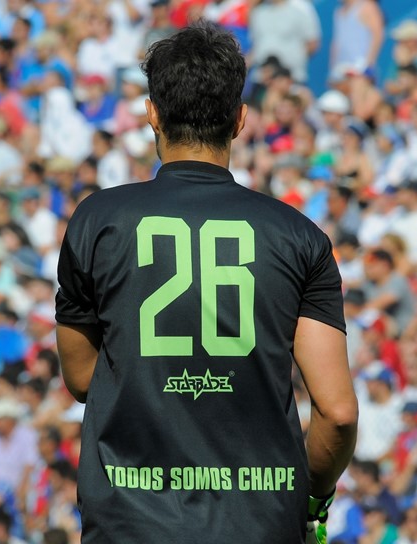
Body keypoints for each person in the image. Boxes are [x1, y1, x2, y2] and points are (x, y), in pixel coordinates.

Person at [55, 23, 358, 543]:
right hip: (258, 523)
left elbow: (82, 378)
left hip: (131, 522)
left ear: (152, 113)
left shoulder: (97, 221)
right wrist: (309, 500)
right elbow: (337, 412)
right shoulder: (299, 236)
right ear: (240, 120)